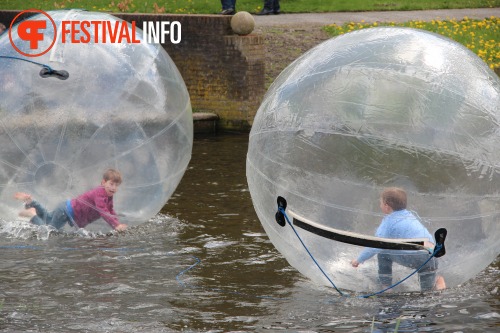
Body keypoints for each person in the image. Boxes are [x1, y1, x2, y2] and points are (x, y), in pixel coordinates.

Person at [351, 187, 446, 291]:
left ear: (386, 206)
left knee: (383, 251)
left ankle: (386, 286)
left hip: (415, 256)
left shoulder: (389, 222)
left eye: (381, 203)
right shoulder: (410, 215)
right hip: (431, 255)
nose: (380, 205)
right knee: (427, 291)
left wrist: (358, 260)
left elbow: (376, 245)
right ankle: (438, 281)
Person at [15, 168, 127, 232]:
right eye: (111, 184)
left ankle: (31, 202)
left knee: (48, 219)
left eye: (116, 185)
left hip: (65, 208)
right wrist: (116, 226)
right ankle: (32, 215)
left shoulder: (108, 196)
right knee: (50, 231)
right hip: (66, 212)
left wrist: (117, 223)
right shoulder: (99, 193)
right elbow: (103, 211)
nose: (113, 187)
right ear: (103, 182)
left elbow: (110, 210)